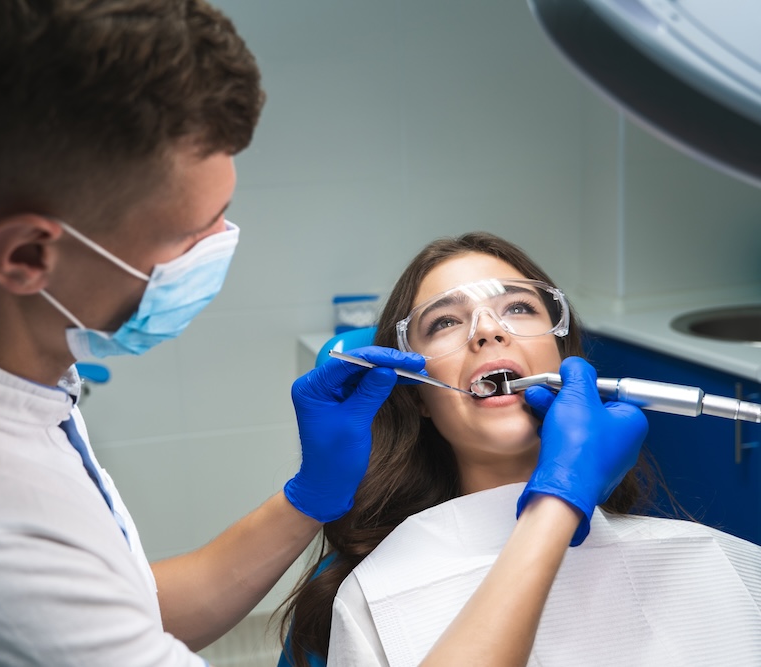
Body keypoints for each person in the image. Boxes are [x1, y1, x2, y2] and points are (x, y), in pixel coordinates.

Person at [0, 1, 647, 664]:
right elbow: (52, 609)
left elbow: (125, 603)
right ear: (29, 254)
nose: (216, 252)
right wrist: (558, 504)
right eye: (188, 236)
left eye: (518, 308)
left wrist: (307, 496)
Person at [279, 232, 761, 666]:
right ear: (416, 395)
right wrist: (561, 494)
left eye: (518, 308)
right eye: (445, 321)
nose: (488, 330)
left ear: (564, 360)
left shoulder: (700, 561)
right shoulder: (369, 597)